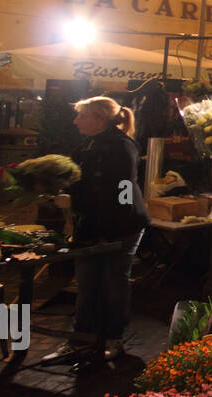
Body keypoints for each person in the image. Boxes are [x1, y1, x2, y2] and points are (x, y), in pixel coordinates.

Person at [45, 97, 150, 363]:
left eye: (82, 116)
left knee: (114, 283)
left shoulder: (122, 146)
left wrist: (116, 227)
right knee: (87, 283)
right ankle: (81, 339)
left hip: (121, 227)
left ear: (99, 118)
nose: (76, 121)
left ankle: (113, 339)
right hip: (90, 226)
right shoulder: (87, 144)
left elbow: (126, 189)